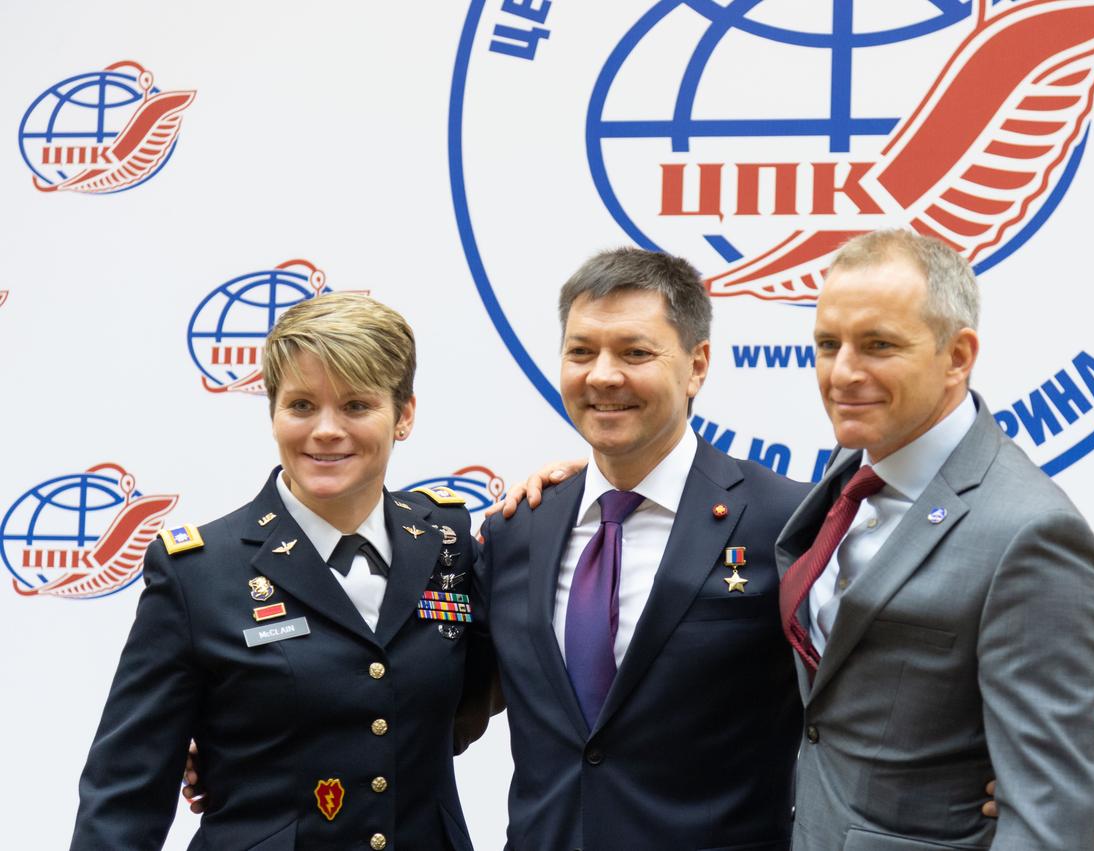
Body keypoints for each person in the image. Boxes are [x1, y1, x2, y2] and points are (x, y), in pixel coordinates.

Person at [70, 293, 493, 851]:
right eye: (300, 405)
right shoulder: (198, 572)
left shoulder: (449, 542)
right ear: (273, 412)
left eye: (356, 406)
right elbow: (124, 792)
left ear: (405, 414)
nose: (325, 430)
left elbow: (497, 684)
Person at [779, 229, 1094, 850]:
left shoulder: (1033, 533)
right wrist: (601, 485)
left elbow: (1050, 814)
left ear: (957, 356)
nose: (843, 373)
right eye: (828, 344)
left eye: (878, 345)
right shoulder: (854, 461)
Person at [476, 248, 810, 850]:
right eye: (581, 351)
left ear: (696, 366)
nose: (602, 375)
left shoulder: (783, 522)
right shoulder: (515, 529)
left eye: (635, 352)